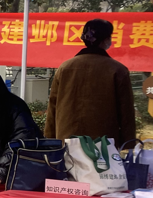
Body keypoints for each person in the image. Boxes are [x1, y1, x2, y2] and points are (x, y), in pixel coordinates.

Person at [44, 18, 135, 146]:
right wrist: (129, 144)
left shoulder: (64, 68)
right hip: (103, 146)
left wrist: (50, 140)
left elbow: (52, 107)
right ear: (105, 40)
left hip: (67, 143)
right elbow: (126, 113)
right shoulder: (118, 70)